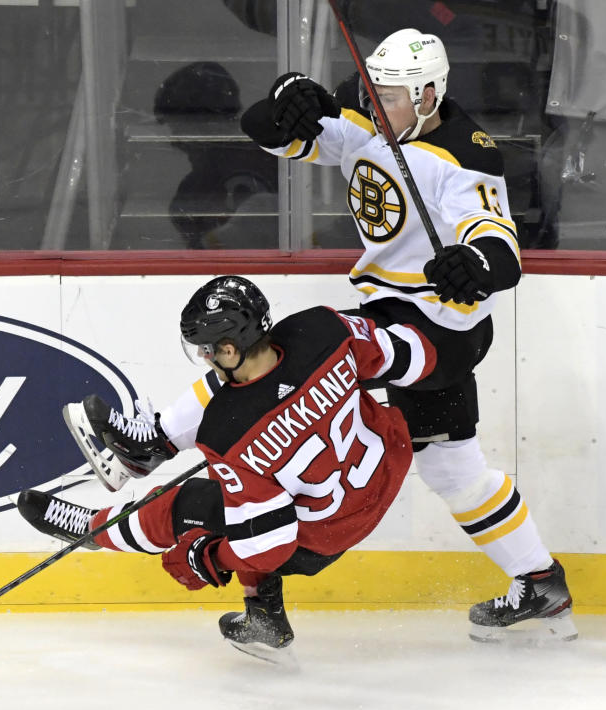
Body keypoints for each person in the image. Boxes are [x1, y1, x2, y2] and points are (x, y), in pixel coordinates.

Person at [52, 28, 577, 644]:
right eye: (373, 91)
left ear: (430, 93)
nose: (377, 105)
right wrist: (287, 97)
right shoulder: (365, 117)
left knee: (294, 355)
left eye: (394, 96)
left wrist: (475, 266)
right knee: (456, 473)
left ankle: (155, 443)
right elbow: (268, 130)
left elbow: (498, 245)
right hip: (391, 319)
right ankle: (540, 581)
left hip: (440, 331)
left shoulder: (466, 154)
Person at [19, 275, 427, 658]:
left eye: (207, 349)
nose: (203, 356)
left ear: (228, 348)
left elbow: (269, 546)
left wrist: (208, 557)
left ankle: (95, 530)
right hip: (382, 475)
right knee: (239, 404)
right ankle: (152, 444)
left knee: (191, 504)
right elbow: (415, 359)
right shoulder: (322, 329)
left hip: (323, 535)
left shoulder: (228, 433)